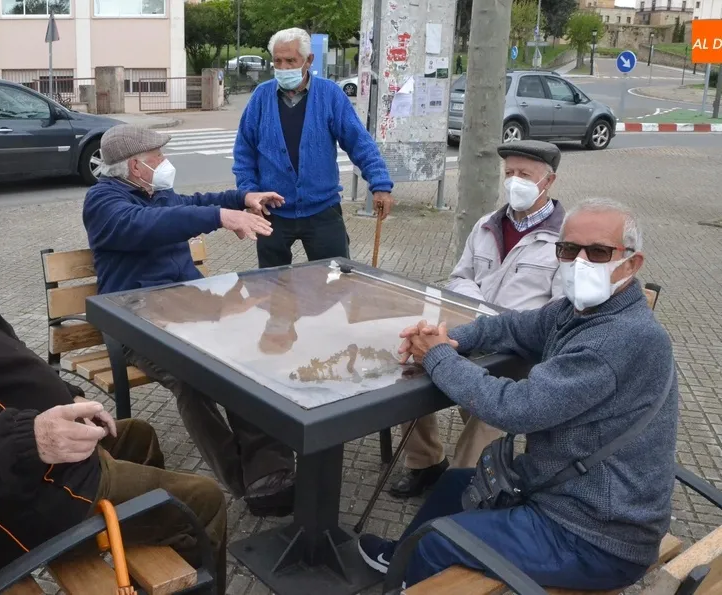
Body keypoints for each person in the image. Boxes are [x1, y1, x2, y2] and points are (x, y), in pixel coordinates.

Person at [0, 168, 229, 592]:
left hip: (41, 468)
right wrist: (30, 437)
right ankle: (165, 546)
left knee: (139, 434)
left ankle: (148, 541)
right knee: (203, 501)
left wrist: (67, 396)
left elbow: (3, 369)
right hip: (38, 494)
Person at [359, 198, 679, 591]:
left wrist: (438, 357)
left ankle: (408, 579)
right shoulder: (582, 311)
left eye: (598, 252)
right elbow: (514, 327)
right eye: (569, 250)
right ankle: (400, 561)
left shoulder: (618, 339)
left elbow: (515, 408)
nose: (580, 262)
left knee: (439, 540)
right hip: (560, 492)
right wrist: (449, 339)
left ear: (631, 263)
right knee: (455, 484)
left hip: (595, 535)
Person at [83, 124, 297, 517]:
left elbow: (193, 201)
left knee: (245, 357)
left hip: (191, 310)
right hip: (137, 322)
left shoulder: (157, 192)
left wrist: (242, 198)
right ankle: (244, 480)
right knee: (192, 379)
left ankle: (270, 470)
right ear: (134, 166)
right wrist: (221, 217)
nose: (165, 163)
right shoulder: (103, 201)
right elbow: (147, 225)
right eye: (157, 157)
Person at [390, 140, 566, 499]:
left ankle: (460, 493)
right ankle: (425, 462)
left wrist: (503, 322)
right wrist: (478, 306)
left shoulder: (564, 240)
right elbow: (459, 277)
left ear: (548, 181)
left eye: (525, 174)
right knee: (410, 367)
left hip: (521, 355)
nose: (514, 181)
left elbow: (560, 312)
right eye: (510, 173)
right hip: (470, 332)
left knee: (489, 410)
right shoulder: (486, 225)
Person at [233, 27, 394, 269]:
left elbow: (359, 142)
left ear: (308, 60)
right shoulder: (261, 97)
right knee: (272, 284)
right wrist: (249, 193)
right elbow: (244, 152)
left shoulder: (330, 95)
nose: (283, 68)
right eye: (278, 61)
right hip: (272, 212)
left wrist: (380, 184)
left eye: (290, 61)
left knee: (335, 280)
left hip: (322, 209)